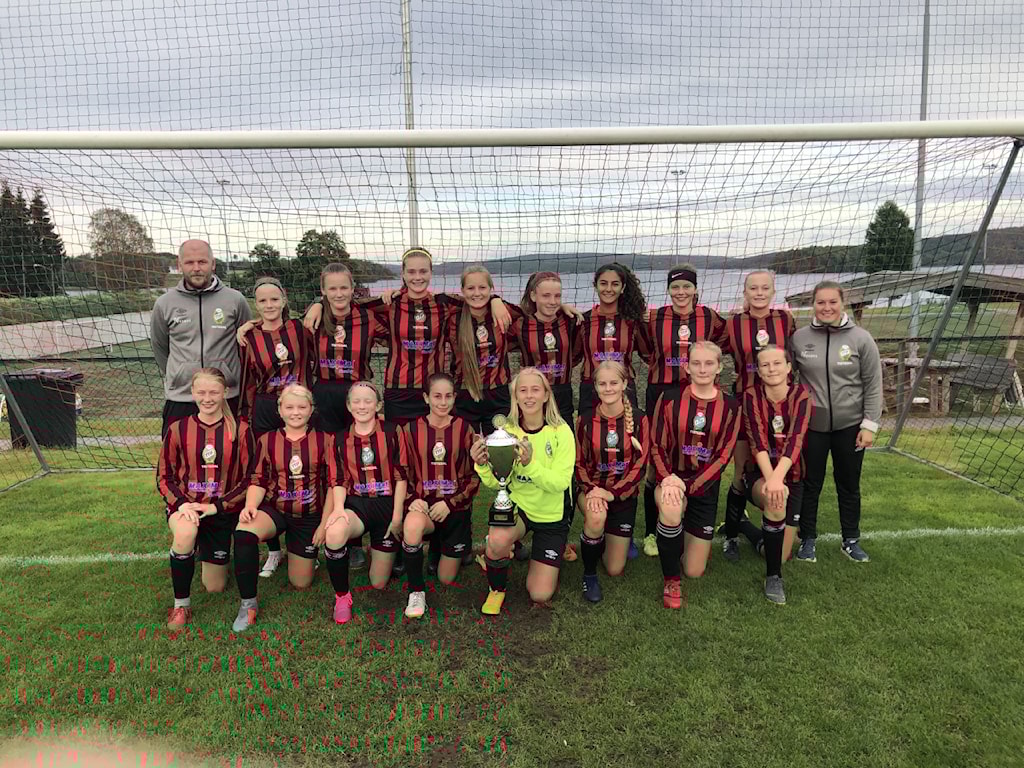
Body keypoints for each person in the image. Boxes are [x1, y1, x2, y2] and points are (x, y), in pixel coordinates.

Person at [304, 247, 512, 426]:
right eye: (411, 271)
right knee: (400, 448)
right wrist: (319, 304)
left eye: (423, 271)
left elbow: (474, 299)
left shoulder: (443, 303)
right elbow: (347, 303)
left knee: (432, 446)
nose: (417, 277)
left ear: (430, 273)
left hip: (433, 392)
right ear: (403, 274)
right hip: (398, 393)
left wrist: (495, 299)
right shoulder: (390, 304)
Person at [230, 384, 342, 632]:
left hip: (309, 515)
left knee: (301, 583)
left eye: (302, 407)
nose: (295, 412)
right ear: (280, 410)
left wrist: (324, 524)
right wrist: (250, 505)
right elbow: (258, 479)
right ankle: (248, 603)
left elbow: (333, 484)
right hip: (276, 510)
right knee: (244, 532)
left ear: (311, 409)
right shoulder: (267, 440)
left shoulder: (325, 440)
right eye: (289, 407)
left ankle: (304, 555)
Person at [638, 264, 727, 558]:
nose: (681, 292)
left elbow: (722, 342)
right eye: (675, 287)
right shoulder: (654, 318)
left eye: (686, 286)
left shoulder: (709, 317)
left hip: (698, 393)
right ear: (668, 290)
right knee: (656, 459)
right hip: (661, 392)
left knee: (698, 450)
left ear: (695, 289)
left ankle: (691, 516)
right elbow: (644, 349)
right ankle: (652, 531)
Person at [470, 368, 576, 615]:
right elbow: (498, 482)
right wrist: (482, 465)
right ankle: (497, 589)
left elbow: (560, 483)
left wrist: (530, 465)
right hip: (520, 509)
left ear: (546, 395)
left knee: (539, 593)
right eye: (523, 390)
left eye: (535, 390)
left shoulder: (562, 431)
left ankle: (552, 550)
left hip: (551, 514)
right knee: (497, 541)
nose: (529, 396)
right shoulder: (506, 431)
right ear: (515, 397)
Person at [791, 281, 882, 564]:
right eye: (821, 302)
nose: (826, 307)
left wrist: (869, 425)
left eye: (832, 302)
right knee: (810, 484)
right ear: (813, 305)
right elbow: (787, 379)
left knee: (849, 484)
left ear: (842, 303)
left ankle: (850, 540)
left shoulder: (861, 338)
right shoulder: (799, 338)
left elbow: (873, 384)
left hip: (850, 426)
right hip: (812, 427)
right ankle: (807, 539)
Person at [158, 368, 254, 630]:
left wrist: (216, 506)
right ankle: (181, 606)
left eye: (214, 392)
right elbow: (163, 477)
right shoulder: (178, 429)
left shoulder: (240, 430)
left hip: (220, 511)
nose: (207, 398)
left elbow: (249, 479)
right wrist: (181, 505)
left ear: (225, 393)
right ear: (192, 393)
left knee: (214, 587)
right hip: (188, 507)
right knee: (185, 533)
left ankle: (208, 552)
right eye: (201, 392)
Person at [650, 341, 741, 609]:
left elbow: (723, 456)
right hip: (670, 481)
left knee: (694, 570)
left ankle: (680, 536)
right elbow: (656, 446)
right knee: (671, 507)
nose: (702, 369)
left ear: (719, 367)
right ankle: (671, 580)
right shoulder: (669, 399)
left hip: (704, 487)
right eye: (696, 363)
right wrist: (669, 479)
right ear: (687, 367)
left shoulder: (731, 406)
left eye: (709, 363)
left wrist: (689, 485)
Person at [237, 277, 314, 577]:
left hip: (298, 407)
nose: (269, 305)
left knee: (305, 469)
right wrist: (246, 416)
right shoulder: (249, 337)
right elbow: (247, 380)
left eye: (274, 299)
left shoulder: (300, 329)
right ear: (256, 304)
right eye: (262, 301)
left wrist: (319, 304)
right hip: (267, 408)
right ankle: (273, 549)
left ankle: (306, 542)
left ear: (284, 299)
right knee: (266, 473)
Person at [721, 270, 797, 562]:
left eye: (765, 288)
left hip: (780, 406)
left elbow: (795, 356)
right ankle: (731, 534)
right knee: (741, 471)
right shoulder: (733, 323)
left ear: (773, 292)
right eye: (753, 288)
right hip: (745, 403)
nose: (759, 293)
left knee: (781, 464)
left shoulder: (786, 320)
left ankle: (785, 517)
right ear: (745, 293)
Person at [321, 381, 409, 624]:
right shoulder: (339, 438)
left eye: (368, 401)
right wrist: (338, 509)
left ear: (378, 405)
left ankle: (394, 552)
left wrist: (397, 516)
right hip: (357, 506)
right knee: (335, 532)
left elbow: (401, 476)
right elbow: (338, 479)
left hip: (387, 506)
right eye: (356, 401)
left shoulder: (393, 431)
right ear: (349, 406)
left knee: (378, 582)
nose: (362, 406)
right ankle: (342, 596)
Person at [509, 271, 582, 560]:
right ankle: (514, 531)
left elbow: (578, 352)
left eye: (557, 296)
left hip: (560, 394)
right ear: (533, 296)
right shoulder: (520, 325)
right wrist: (495, 302)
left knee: (562, 462)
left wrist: (564, 308)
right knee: (520, 456)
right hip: (530, 398)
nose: (552, 301)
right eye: (546, 295)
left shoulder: (570, 321)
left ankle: (560, 533)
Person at [150, 240, 252, 437]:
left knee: (230, 454)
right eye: (189, 262)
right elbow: (160, 346)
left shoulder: (235, 300)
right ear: (180, 265)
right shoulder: (164, 304)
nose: (196, 268)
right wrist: (181, 374)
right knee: (178, 455)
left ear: (213, 264)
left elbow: (246, 345)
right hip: (181, 398)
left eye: (202, 262)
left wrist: (228, 375)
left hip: (225, 397)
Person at [400, 373, 480, 618]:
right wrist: (412, 498)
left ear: (455, 398)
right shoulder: (410, 430)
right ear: (426, 398)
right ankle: (416, 592)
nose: (443, 402)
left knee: (446, 578)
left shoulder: (464, 428)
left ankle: (440, 548)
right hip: (424, 508)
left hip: (454, 509)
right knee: (412, 525)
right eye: (437, 396)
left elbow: (474, 476)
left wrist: (450, 503)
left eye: (448, 396)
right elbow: (401, 471)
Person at [574, 361, 649, 603]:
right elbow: (578, 464)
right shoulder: (585, 420)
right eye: (602, 384)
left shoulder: (640, 419)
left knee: (615, 568)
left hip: (623, 496)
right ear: (595, 387)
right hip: (593, 492)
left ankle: (608, 537)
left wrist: (613, 493)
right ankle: (589, 575)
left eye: (614, 383)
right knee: (596, 517)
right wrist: (593, 491)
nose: (608, 388)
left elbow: (640, 466)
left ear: (625, 384)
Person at [742, 346, 813, 604]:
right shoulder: (751, 396)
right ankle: (774, 578)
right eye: (765, 365)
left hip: (792, 477)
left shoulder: (802, 395)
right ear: (759, 371)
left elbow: (796, 440)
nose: (771, 369)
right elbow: (757, 441)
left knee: (781, 553)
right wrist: (772, 481)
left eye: (777, 363)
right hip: (760, 475)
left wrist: (778, 479)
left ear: (788, 367)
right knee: (775, 501)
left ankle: (743, 525)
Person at [574, 263, 647, 417]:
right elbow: (573, 356)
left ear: (623, 288)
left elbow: (648, 353)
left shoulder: (633, 320)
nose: (608, 289)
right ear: (595, 286)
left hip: (624, 388)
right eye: (603, 283)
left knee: (628, 431)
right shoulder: (583, 320)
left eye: (615, 284)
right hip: (591, 389)